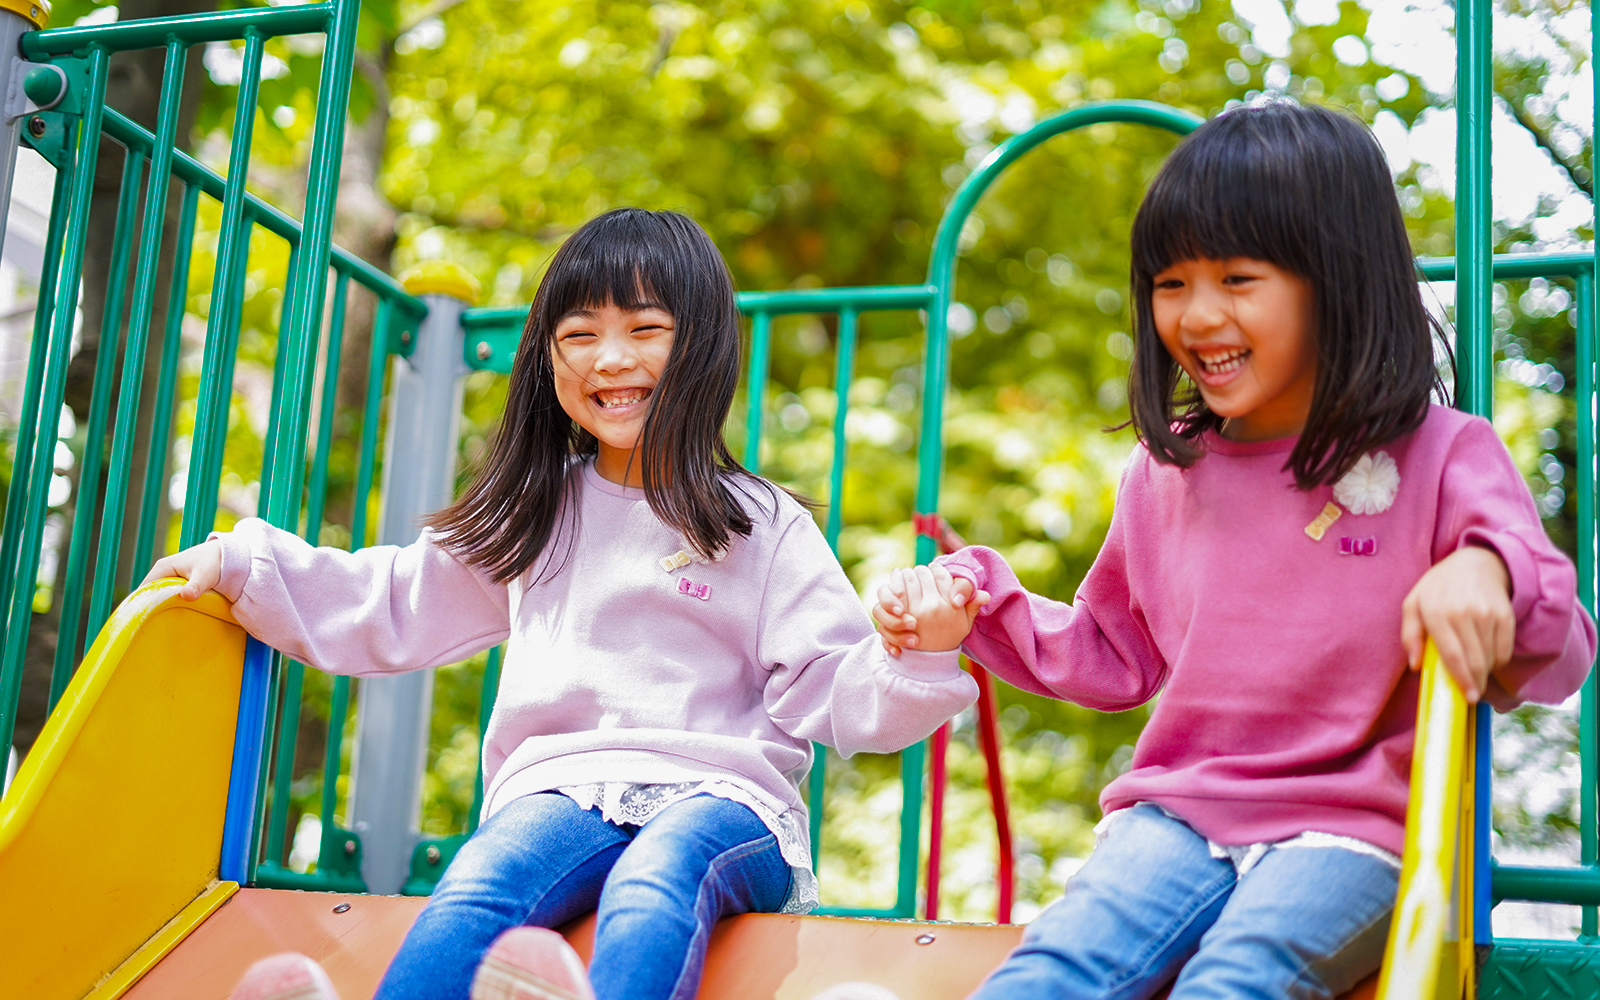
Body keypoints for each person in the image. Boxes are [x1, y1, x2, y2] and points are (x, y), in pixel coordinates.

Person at [149, 208, 979, 1000]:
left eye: (644, 330)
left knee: (658, 878)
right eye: (579, 336)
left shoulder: (759, 524)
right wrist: (244, 562)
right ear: (548, 363)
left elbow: (835, 687)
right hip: (561, 792)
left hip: (727, 801)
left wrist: (921, 652)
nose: (609, 359)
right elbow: (396, 598)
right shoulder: (537, 510)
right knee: (479, 885)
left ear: (702, 349)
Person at [873, 102, 1597, 999]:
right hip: (1179, 815)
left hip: (1363, 827)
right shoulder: (1169, 471)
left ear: (1339, 279)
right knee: (1054, 972)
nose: (1198, 315)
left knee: (1236, 977)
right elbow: (1114, 648)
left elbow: (1564, 654)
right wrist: (982, 606)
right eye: (1170, 283)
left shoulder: (1444, 455)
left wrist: (1488, 569)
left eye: (1239, 279)